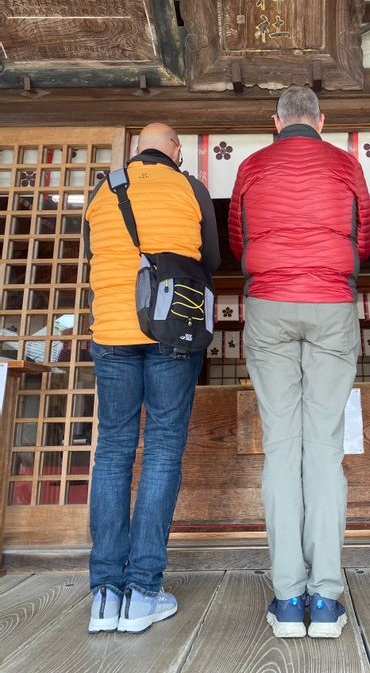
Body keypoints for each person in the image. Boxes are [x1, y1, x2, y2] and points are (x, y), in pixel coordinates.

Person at [229, 86, 370, 638]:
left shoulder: (251, 165)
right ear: (320, 120)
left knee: (282, 446)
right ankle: (328, 599)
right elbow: (363, 240)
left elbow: (239, 237)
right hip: (331, 304)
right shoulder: (344, 163)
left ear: (276, 121)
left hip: (268, 304)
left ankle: (288, 600)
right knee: (325, 447)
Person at [84, 123, 220, 634]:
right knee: (162, 449)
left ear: (137, 149)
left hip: (114, 330)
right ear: (176, 150)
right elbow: (212, 259)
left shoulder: (103, 188)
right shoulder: (191, 188)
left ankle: (104, 595)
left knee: (114, 450)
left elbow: (91, 256)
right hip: (171, 330)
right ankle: (143, 591)